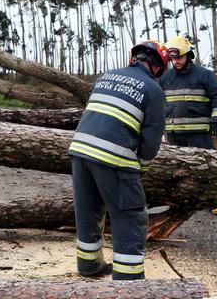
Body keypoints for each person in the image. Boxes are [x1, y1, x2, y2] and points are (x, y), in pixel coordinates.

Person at [68, 40, 168, 280]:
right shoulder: (153, 90)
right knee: (130, 215)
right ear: (158, 67)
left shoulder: (106, 76)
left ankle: (89, 266)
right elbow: (151, 142)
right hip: (112, 156)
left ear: (135, 58)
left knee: (88, 209)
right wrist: (141, 165)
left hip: (80, 150)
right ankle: (129, 281)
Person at [159, 36, 217, 149]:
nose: (176, 61)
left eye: (180, 57)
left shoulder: (205, 75)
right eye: (173, 59)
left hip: (199, 135)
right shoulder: (165, 77)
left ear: (188, 55)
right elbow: (159, 103)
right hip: (173, 135)